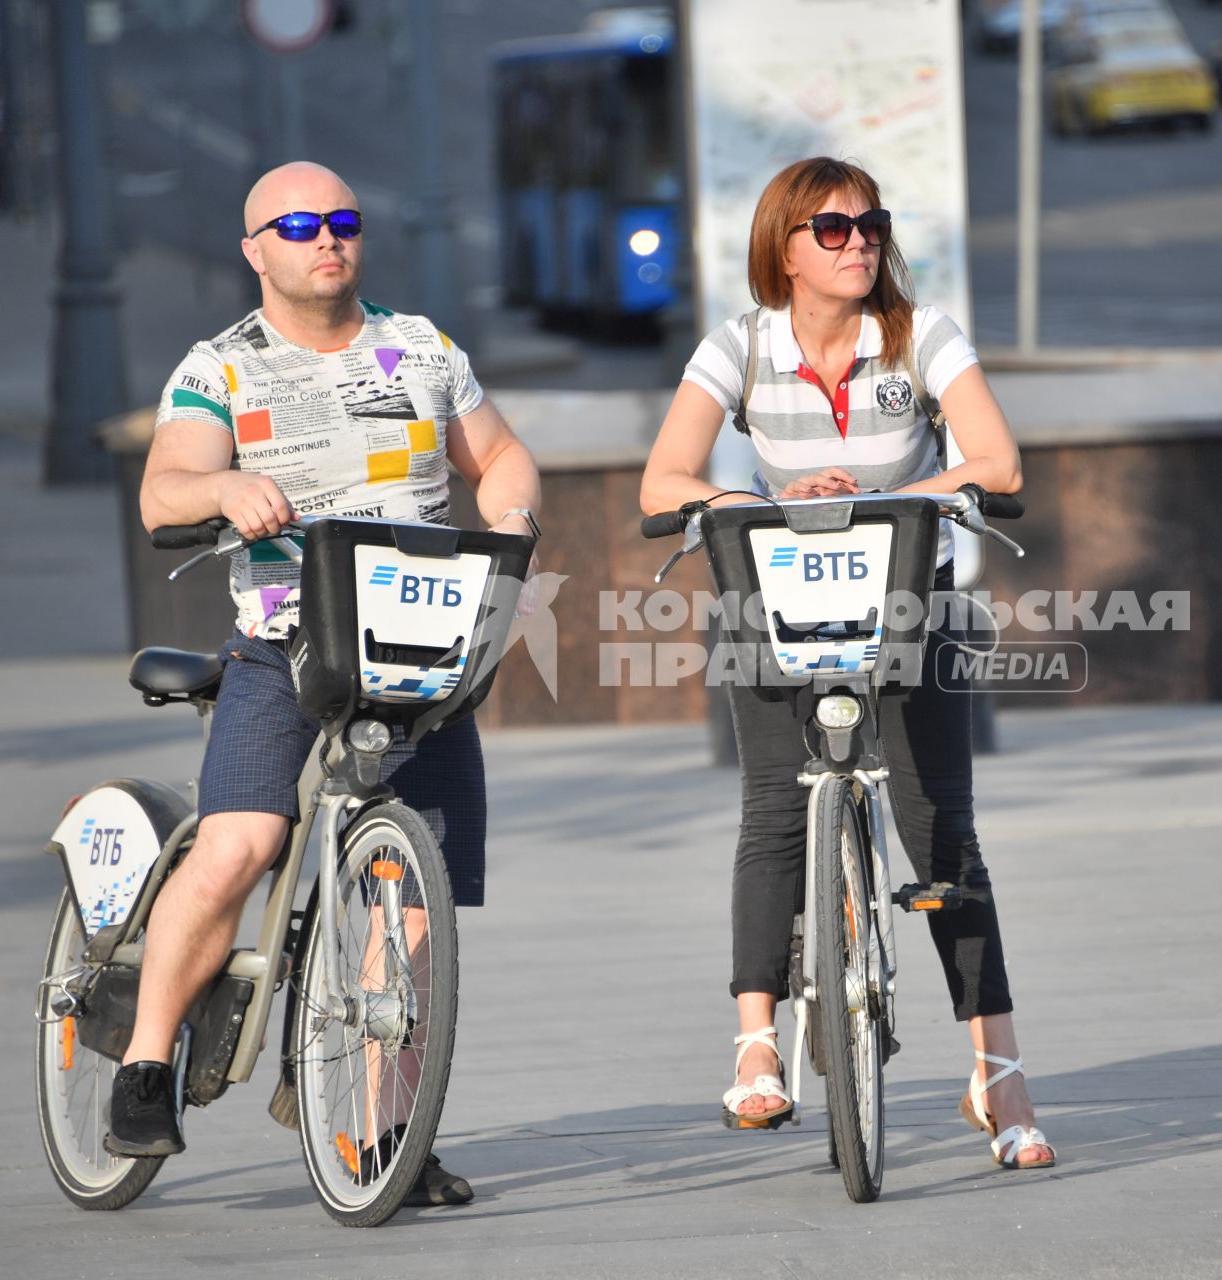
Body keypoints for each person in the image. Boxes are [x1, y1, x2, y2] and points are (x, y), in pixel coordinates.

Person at [114, 161, 541, 1205]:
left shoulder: (424, 347)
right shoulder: (222, 368)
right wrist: (221, 483)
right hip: (285, 647)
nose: (326, 237)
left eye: (343, 219)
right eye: (299, 223)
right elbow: (162, 491)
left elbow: (503, 455)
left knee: (411, 910)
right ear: (255, 247)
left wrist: (515, 517)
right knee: (242, 845)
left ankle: (388, 1131)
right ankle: (143, 1058)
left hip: (420, 650)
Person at [638, 157, 1055, 1170]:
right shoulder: (738, 346)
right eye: (832, 228)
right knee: (773, 811)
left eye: (871, 224)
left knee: (940, 831)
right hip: (784, 603)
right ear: (784, 247)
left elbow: (999, 465)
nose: (859, 241)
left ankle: (998, 1075)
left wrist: (895, 498)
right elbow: (666, 478)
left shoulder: (921, 337)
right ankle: (755, 1047)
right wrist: (767, 505)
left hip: (911, 599)